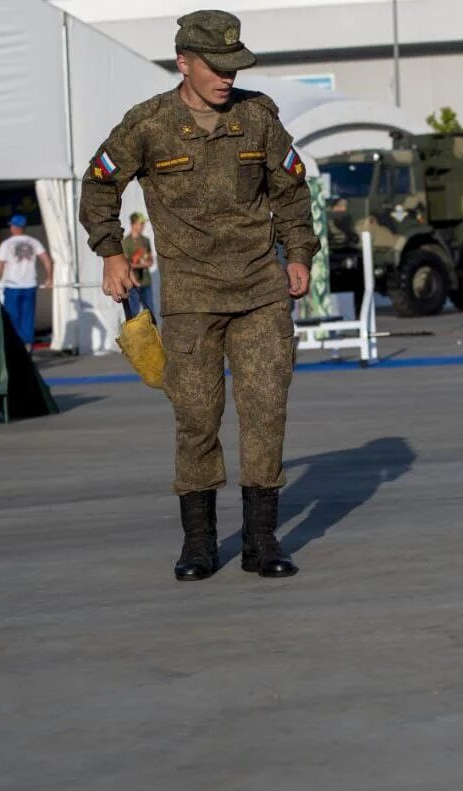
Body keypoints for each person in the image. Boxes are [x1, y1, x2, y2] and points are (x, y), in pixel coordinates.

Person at [79, 9, 318, 583]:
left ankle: (262, 542)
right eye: (217, 66)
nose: (228, 77)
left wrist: (299, 254)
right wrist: (111, 252)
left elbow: (290, 191)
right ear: (184, 63)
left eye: (236, 65)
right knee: (195, 417)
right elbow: (99, 184)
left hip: (260, 290)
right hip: (190, 298)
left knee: (265, 411)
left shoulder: (258, 118)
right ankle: (199, 544)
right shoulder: (149, 124)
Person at [0, 215, 53, 349]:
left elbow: (1, 265)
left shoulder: (6, 244)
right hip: (29, 285)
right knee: (28, 316)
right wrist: (49, 278)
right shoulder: (34, 242)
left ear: (14, 227)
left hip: (12, 285)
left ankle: (16, 345)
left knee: (12, 317)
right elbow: (47, 261)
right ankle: (27, 343)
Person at [121, 211, 156, 318]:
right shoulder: (125, 242)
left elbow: (150, 260)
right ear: (133, 224)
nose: (143, 226)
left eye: (143, 224)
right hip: (133, 283)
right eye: (141, 223)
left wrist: (147, 262)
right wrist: (142, 264)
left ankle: (151, 334)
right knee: (134, 313)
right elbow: (127, 264)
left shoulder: (146, 240)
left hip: (146, 281)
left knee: (150, 312)